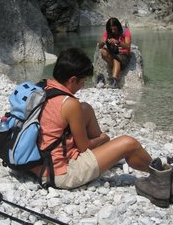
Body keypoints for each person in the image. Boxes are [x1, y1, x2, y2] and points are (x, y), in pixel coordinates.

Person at [32, 47, 152, 189]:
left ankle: (104, 154)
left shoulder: (44, 87)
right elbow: (84, 147)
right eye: (82, 82)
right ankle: (161, 174)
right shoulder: (69, 103)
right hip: (60, 173)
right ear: (72, 80)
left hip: (38, 164)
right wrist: (104, 138)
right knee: (129, 143)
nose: (82, 86)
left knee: (85, 108)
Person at [98, 17, 131, 88]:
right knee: (103, 51)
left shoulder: (125, 31)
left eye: (114, 29)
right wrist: (103, 41)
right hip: (113, 52)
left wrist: (118, 42)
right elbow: (100, 46)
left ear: (118, 27)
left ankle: (114, 81)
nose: (113, 31)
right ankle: (117, 67)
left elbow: (128, 46)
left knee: (116, 60)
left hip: (123, 53)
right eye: (111, 29)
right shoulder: (108, 32)